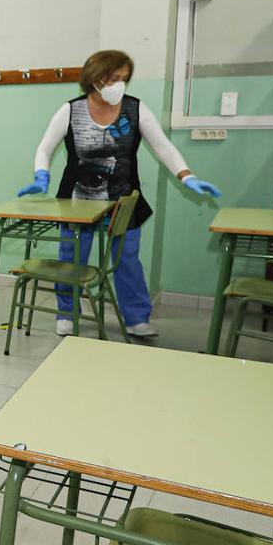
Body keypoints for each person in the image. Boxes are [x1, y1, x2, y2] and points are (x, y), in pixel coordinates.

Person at [16, 49, 220, 338]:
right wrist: (42, 174)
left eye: (124, 79)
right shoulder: (70, 110)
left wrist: (187, 176)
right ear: (95, 79)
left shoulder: (136, 109)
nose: (119, 85)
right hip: (77, 200)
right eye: (114, 78)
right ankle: (67, 311)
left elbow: (163, 147)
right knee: (71, 259)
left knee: (127, 259)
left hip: (123, 199)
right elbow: (45, 147)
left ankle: (136, 317)